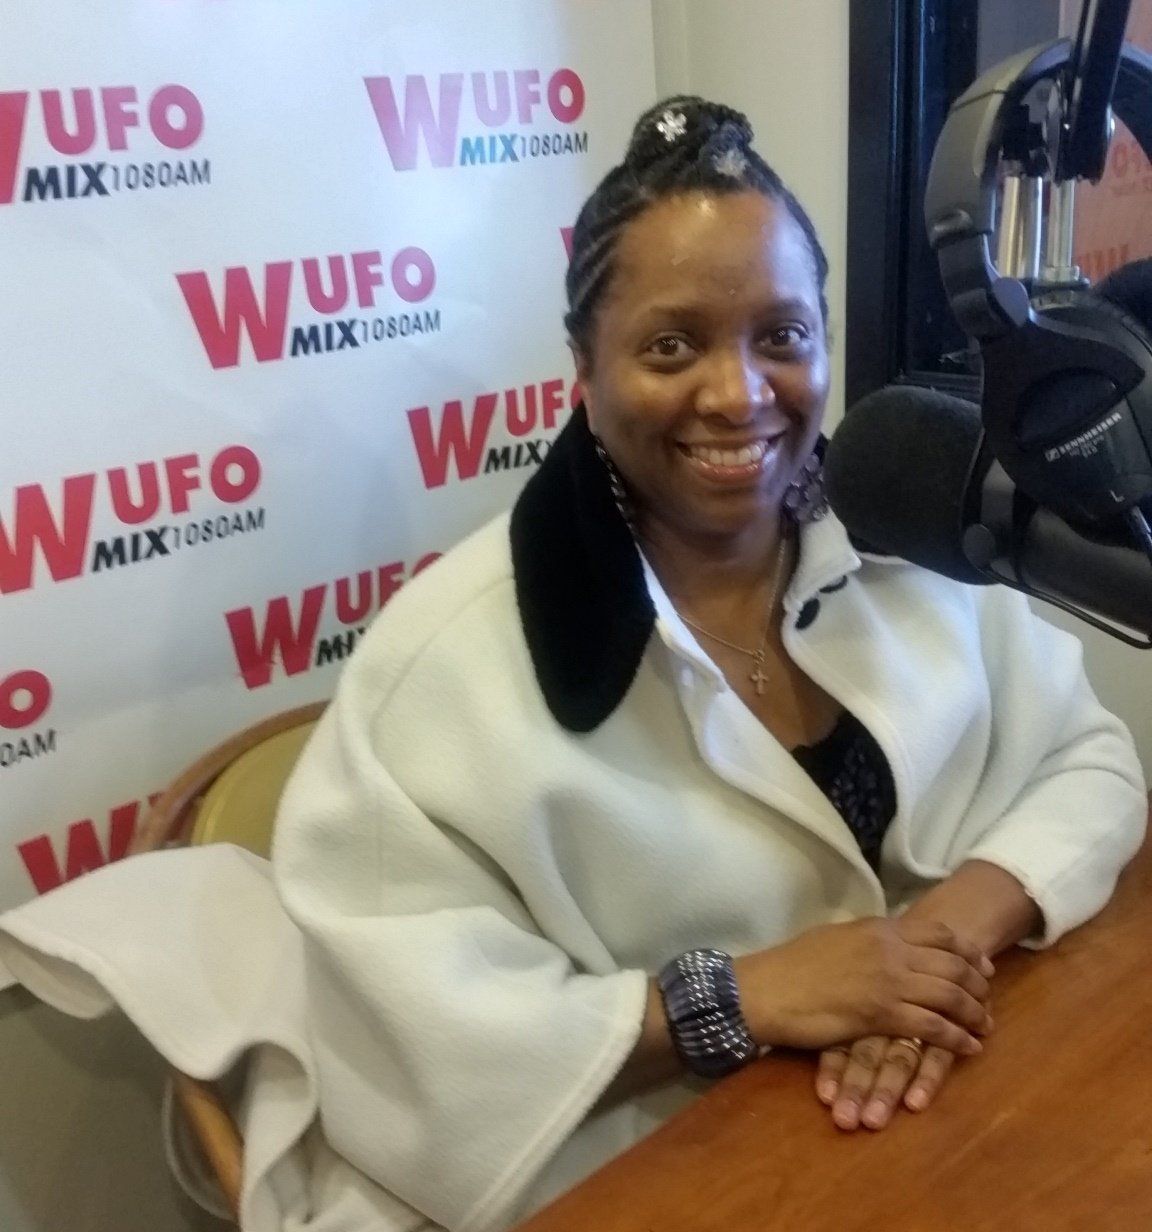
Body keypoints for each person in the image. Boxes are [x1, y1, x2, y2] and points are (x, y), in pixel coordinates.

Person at [273, 97, 1147, 1231]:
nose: (739, 394)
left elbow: (1089, 758)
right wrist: (733, 998)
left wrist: (931, 945)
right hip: (640, 1168)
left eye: (782, 335)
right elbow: (408, 1035)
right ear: (584, 368)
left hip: (922, 1115)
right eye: (672, 343)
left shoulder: (913, 541)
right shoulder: (440, 662)